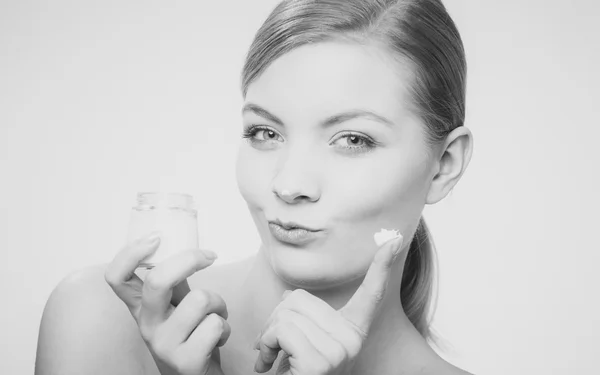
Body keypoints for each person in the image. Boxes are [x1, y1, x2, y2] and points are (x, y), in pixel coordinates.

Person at [35, 0, 474, 374]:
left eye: (353, 140)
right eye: (265, 133)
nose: (288, 185)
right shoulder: (98, 318)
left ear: (444, 167)